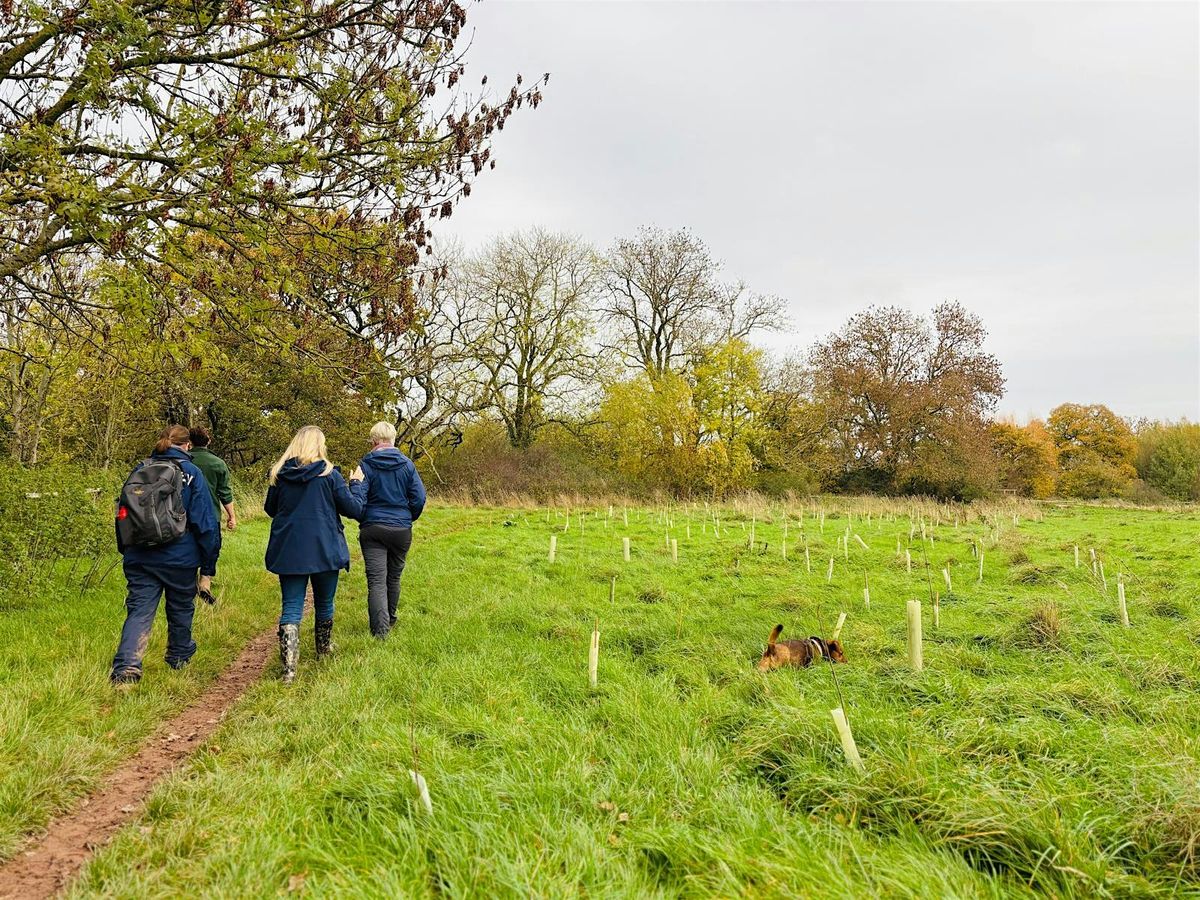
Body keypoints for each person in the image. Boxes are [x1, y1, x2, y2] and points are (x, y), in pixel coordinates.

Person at [110, 425, 221, 685]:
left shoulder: (140, 469)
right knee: (180, 607)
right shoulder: (191, 473)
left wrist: (127, 550)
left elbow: (122, 514)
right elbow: (205, 524)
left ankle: (126, 668)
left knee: (139, 611)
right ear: (187, 445)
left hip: (139, 556)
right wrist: (208, 565)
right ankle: (178, 658)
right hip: (180, 557)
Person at [264, 425, 362, 684]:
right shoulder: (329, 476)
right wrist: (356, 484)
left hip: (290, 549)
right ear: (320, 445)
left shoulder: (280, 475)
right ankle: (323, 649)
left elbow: (270, 509)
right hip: (325, 547)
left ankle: (289, 669)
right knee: (324, 601)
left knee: (292, 604)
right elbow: (354, 509)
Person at [349, 421, 426, 639]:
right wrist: (408, 517)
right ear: (393, 439)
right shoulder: (407, 465)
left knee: (376, 581)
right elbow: (419, 498)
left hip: (373, 528)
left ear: (373, 441)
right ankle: (390, 620)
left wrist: (355, 486)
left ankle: (380, 632)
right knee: (394, 577)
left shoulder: (365, 465)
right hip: (401, 530)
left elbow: (357, 502)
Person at [188, 425, 237, 531]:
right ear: (208, 441)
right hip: (210, 516)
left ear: (190, 441)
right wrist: (231, 516)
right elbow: (225, 493)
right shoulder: (218, 463)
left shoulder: (182, 461)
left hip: (185, 517)